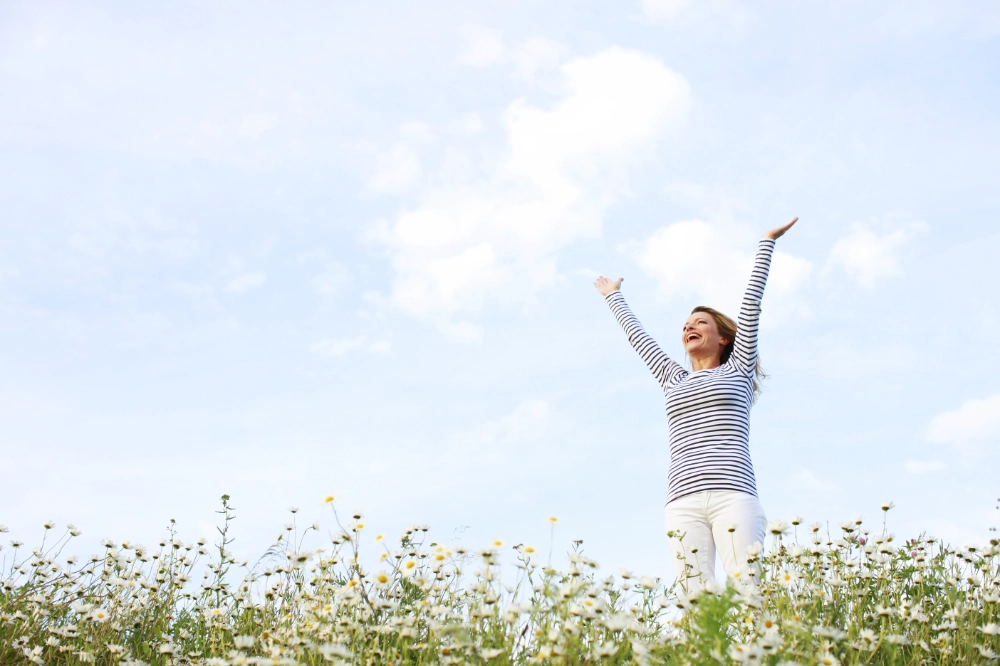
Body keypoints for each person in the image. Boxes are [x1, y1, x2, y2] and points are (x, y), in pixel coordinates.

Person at [593, 217, 798, 593]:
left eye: (700, 322)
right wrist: (613, 295)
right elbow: (638, 338)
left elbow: (751, 306)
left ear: (722, 338)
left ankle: (753, 652)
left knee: (746, 589)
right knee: (694, 596)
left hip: (732, 492)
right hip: (681, 499)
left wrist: (766, 243)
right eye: (686, 324)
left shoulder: (738, 369)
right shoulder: (674, 378)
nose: (689, 327)